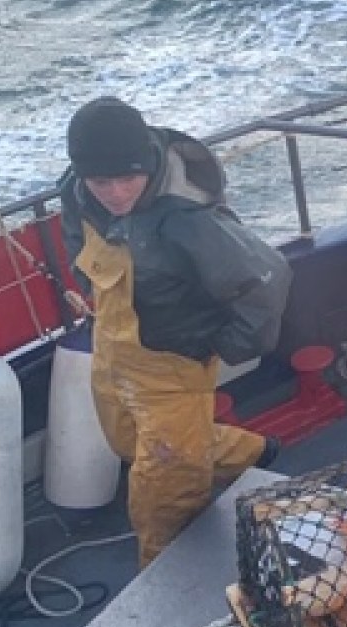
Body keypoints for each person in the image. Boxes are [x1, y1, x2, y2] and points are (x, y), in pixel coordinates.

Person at [60, 97, 293, 567]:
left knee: (160, 493)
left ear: (147, 164)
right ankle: (251, 451)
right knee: (125, 440)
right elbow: (75, 240)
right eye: (102, 181)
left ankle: (164, 577)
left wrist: (227, 346)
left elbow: (268, 278)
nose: (116, 193)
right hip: (114, 345)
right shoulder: (78, 192)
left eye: (128, 178)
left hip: (173, 361)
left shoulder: (187, 217)